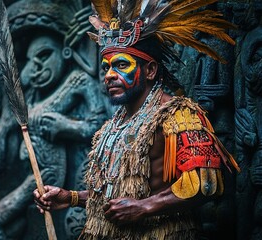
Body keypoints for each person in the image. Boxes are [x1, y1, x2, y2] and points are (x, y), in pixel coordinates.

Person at [33, 0, 240, 239]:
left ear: (150, 70)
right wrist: (71, 197)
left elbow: (207, 183)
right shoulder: (114, 124)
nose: (109, 75)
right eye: (106, 67)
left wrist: (146, 207)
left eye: (121, 65)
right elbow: (115, 193)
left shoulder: (179, 114)